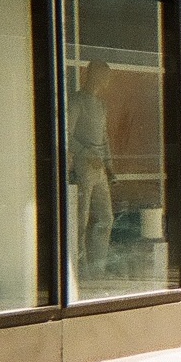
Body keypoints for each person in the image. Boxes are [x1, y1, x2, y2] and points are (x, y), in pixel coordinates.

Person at [69, 60, 115, 277]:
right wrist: (87, 155)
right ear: (93, 75)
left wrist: (108, 164)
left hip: (99, 168)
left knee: (105, 217)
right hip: (84, 165)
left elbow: (104, 137)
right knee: (81, 218)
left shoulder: (101, 104)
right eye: (104, 75)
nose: (107, 81)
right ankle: (79, 268)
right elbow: (65, 135)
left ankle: (98, 267)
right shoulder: (76, 101)